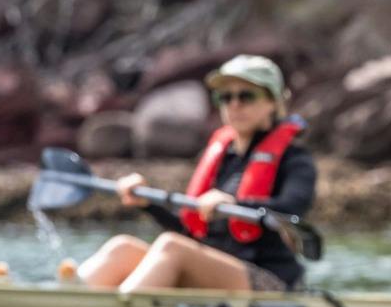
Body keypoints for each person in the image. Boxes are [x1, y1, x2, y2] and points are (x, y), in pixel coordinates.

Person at [71, 55, 318, 293]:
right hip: (211, 270)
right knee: (122, 247)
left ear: (272, 102)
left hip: (269, 280)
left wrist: (235, 203)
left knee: (172, 246)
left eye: (246, 96)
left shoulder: (295, 160)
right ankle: (69, 297)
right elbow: (190, 228)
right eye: (225, 97)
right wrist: (147, 204)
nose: (234, 104)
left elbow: (292, 209)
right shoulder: (221, 158)